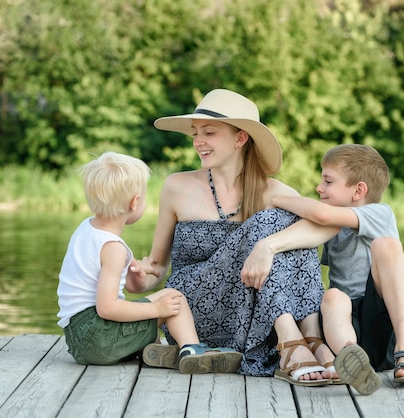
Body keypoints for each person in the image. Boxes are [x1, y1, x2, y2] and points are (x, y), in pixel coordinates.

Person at [128, 89, 335, 385]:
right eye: (196, 134)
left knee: (287, 226)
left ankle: (307, 339)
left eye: (209, 133)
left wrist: (268, 246)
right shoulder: (176, 187)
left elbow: (325, 224)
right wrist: (141, 282)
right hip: (192, 312)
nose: (198, 142)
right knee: (271, 220)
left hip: (248, 314)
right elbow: (158, 266)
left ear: (240, 139)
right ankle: (295, 342)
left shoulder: (270, 190)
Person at [242, 143, 404, 395]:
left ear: (359, 190)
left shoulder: (379, 213)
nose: (319, 187)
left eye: (328, 181)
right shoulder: (332, 226)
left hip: (388, 324)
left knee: (387, 246)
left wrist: (276, 198)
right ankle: (352, 358)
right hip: (344, 328)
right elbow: (311, 232)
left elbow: (321, 214)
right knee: (332, 295)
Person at [56, 151, 241, 373]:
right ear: (135, 203)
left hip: (77, 340)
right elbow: (107, 308)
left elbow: (114, 286)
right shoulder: (113, 248)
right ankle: (192, 350)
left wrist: (135, 278)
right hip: (98, 336)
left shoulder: (87, 229)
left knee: (149, 309)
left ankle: (150, 349)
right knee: (173, 298)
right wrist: (156, 309)